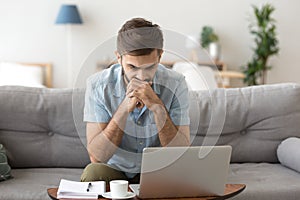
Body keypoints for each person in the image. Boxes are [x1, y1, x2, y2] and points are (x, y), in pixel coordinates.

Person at [81, 18, 190, 184]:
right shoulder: (98, 86)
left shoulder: (176, 84)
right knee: (93, 172)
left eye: (149, 67)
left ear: (160, 56)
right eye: (132, 67)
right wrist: (124, 109)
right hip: (116, 170)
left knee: (185, 176)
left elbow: (181, 152)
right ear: (119, 58)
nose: (141, 77)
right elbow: (97, 157)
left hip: (159, 170)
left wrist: (157, 107)